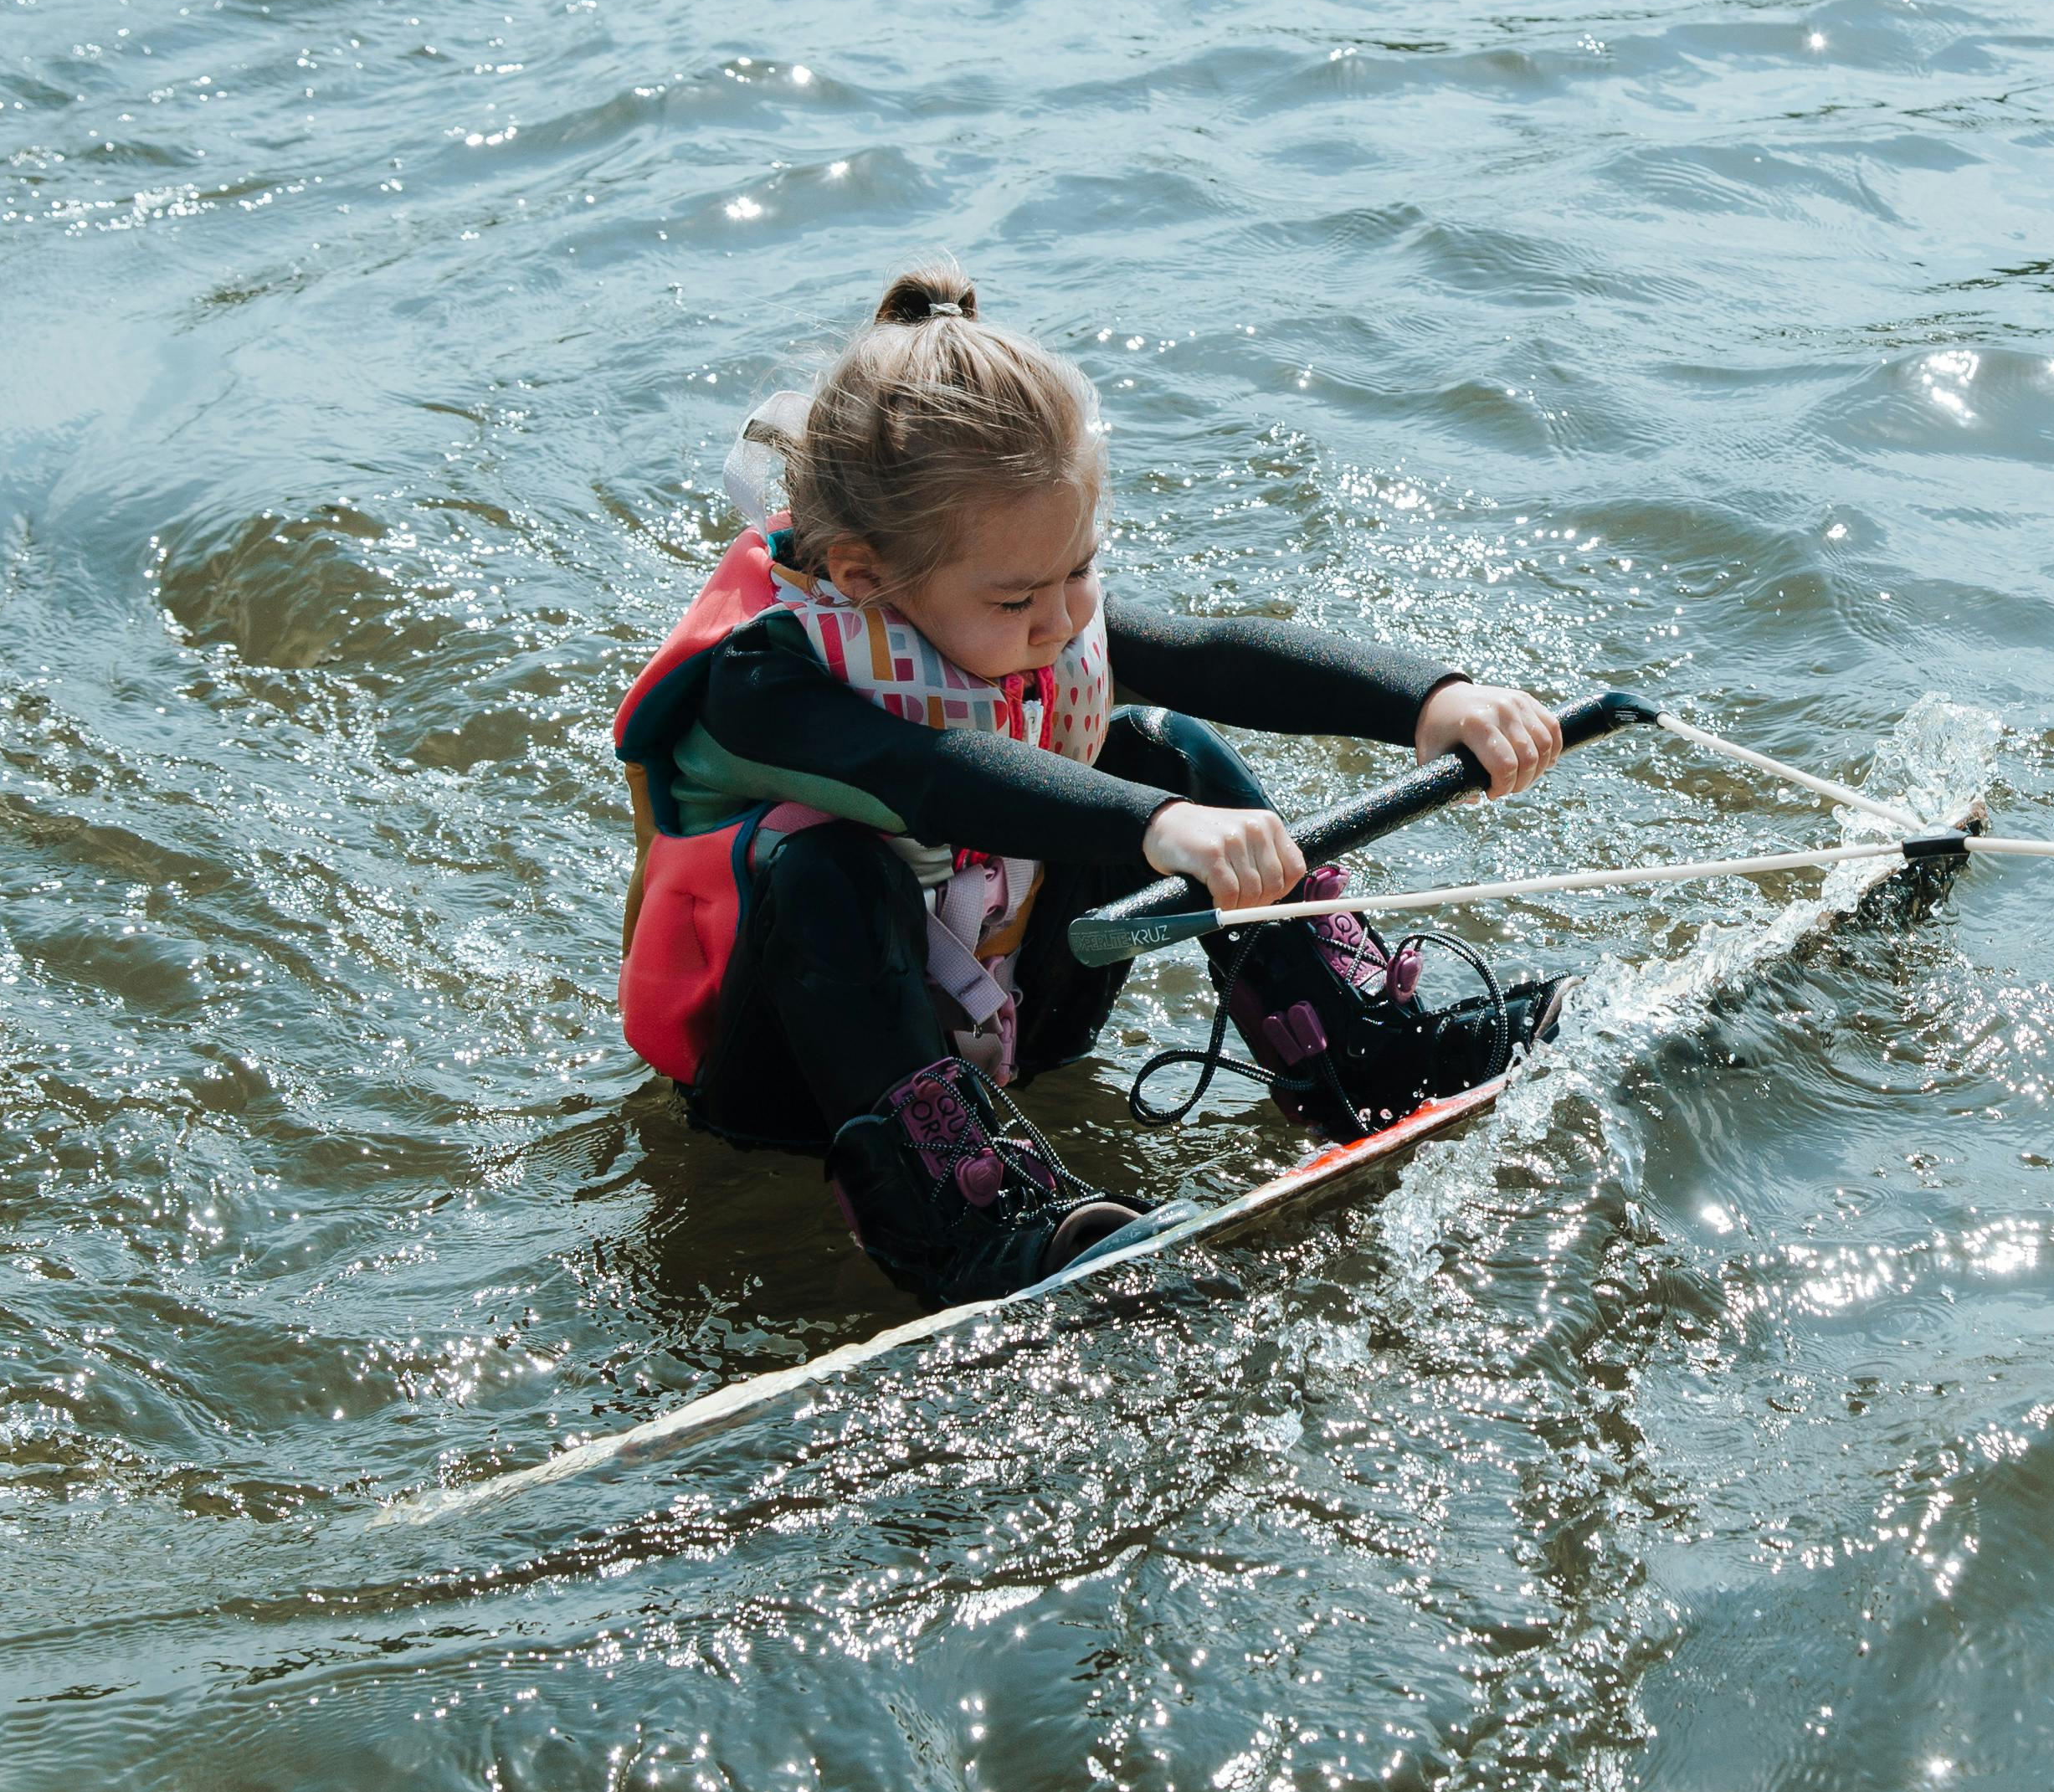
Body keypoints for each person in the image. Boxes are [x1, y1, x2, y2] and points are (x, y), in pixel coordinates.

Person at [614, 264, 1571, 1304]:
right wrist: (1163, 829)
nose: (1065, 618)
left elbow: (1211, 653)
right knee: (822, 859)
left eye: (1081, 570)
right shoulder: (760, 680)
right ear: (860, 575)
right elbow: (927, 774)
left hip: (1034, 999)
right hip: (801, 1080)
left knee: (1159, 741)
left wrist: (1434, 702)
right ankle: (962, 1220)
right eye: (1022, 595)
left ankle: (1361, 1052)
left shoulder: (1030, 601)